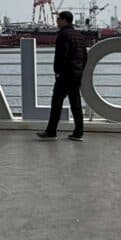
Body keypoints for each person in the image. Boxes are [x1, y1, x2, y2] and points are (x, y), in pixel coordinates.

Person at [37, 11, 87, 142]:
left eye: (58, 19)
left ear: (64, 20)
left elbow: (61, 55)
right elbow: (84, 56)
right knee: (76, 104)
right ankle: (78, 132)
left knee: (56, 103)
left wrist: (57, 72)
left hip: (65, 74)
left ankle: (51, 131)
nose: (57, 21)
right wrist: (80, 70)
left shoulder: (63, 35)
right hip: (77, 74)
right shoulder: (79, 35)